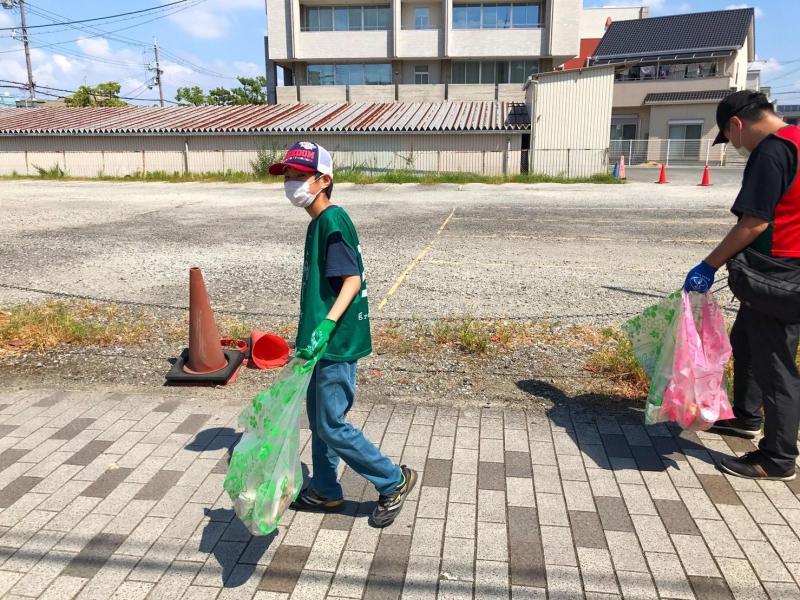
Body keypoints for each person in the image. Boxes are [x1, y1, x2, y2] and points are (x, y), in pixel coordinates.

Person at [268, 142, 417, 527]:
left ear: (324, 180)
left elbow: (351, 279)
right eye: (288, 176)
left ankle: (393, 480)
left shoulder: (332, 221)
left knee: (332, 423)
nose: (291, 183)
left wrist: (327, 325)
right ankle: (325, 490)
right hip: (321, 341)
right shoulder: (317, 222)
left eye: (300, 176)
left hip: (335, 342)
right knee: (319, 419)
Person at [683, 90, 800, 481]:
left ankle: (778, 457)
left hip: (776, 274)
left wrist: (707, 265)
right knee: (746, 342)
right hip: (788, 270)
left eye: (731, 138)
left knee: (775, 364)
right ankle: (746, 418)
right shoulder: (796, 140)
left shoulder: (770, 152)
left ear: (737, 123)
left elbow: (754, 222)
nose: (735, 146)